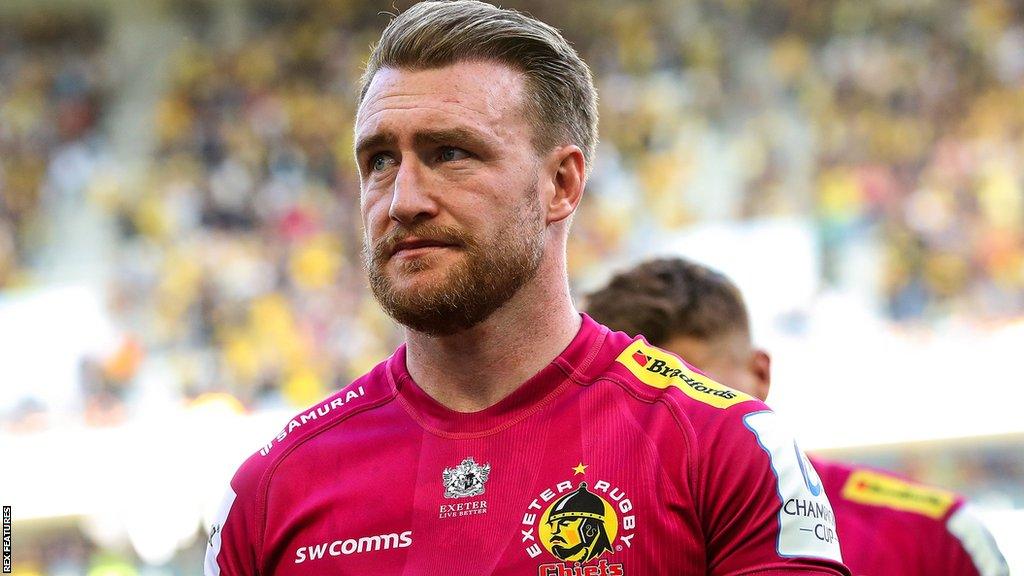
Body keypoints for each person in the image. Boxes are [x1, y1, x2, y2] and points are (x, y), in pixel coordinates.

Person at [205, 2, 849, 574]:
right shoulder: (271, 493)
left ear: (562, 184)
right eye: (380, 160)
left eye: (449, 153)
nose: (403, 200)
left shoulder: (721, 449)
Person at [584, 257, 1010, 576]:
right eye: (637, 406)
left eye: (704, 395)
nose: (679, 425)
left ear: (760, 375)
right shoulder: (567, 544)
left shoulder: (936, 539)